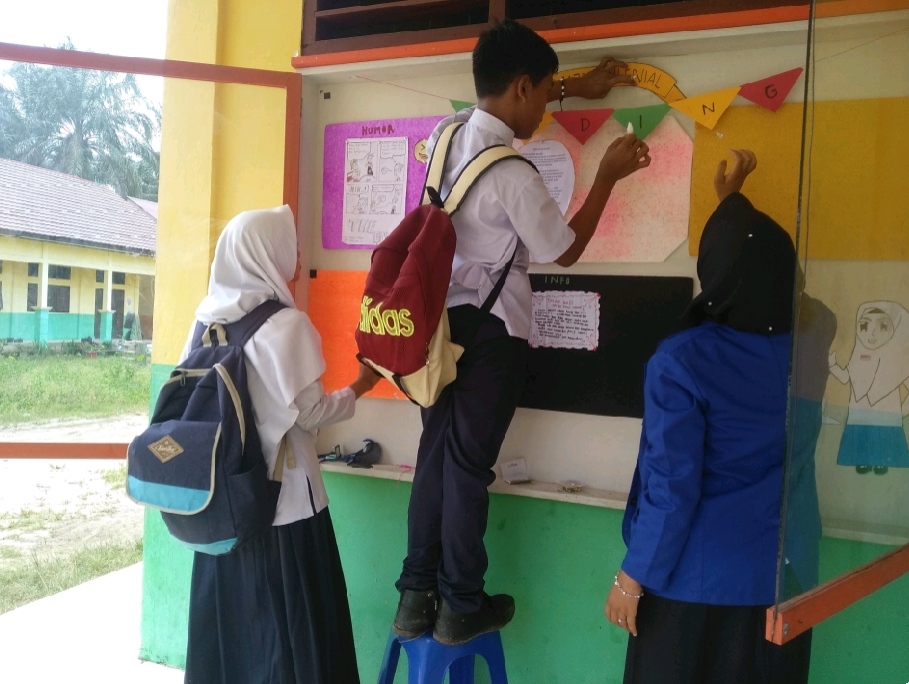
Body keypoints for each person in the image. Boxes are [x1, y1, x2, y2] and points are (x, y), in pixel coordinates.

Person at [393, 19, 650, 646]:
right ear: (521, 87)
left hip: (437, 327)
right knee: (467, 467)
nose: (543, 110)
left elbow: (510, 100)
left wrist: (571, 87)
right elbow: (565, 249)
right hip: (492, 334)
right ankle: (461, 603)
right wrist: (607, 176)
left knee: (435, 455)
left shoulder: (446, 133)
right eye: (542, 92)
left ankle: (415, 597)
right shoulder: (512, 173)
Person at [604, 150, 812, 683]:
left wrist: (631, 577)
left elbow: (673, 487)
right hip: (782, 585)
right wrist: (732, 203)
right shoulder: (810, 351)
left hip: (691, 587)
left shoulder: (682, 360)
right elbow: (760, 270)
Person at [182, 205, 381, 684]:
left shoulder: (204, 322)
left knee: (232, 637)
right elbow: (310, 415)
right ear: (267, 253)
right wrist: (360, 386)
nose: (297, 259)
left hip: (221, 510)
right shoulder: (286, 326)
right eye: (290, 247)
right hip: (285, 509)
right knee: (294, 634)